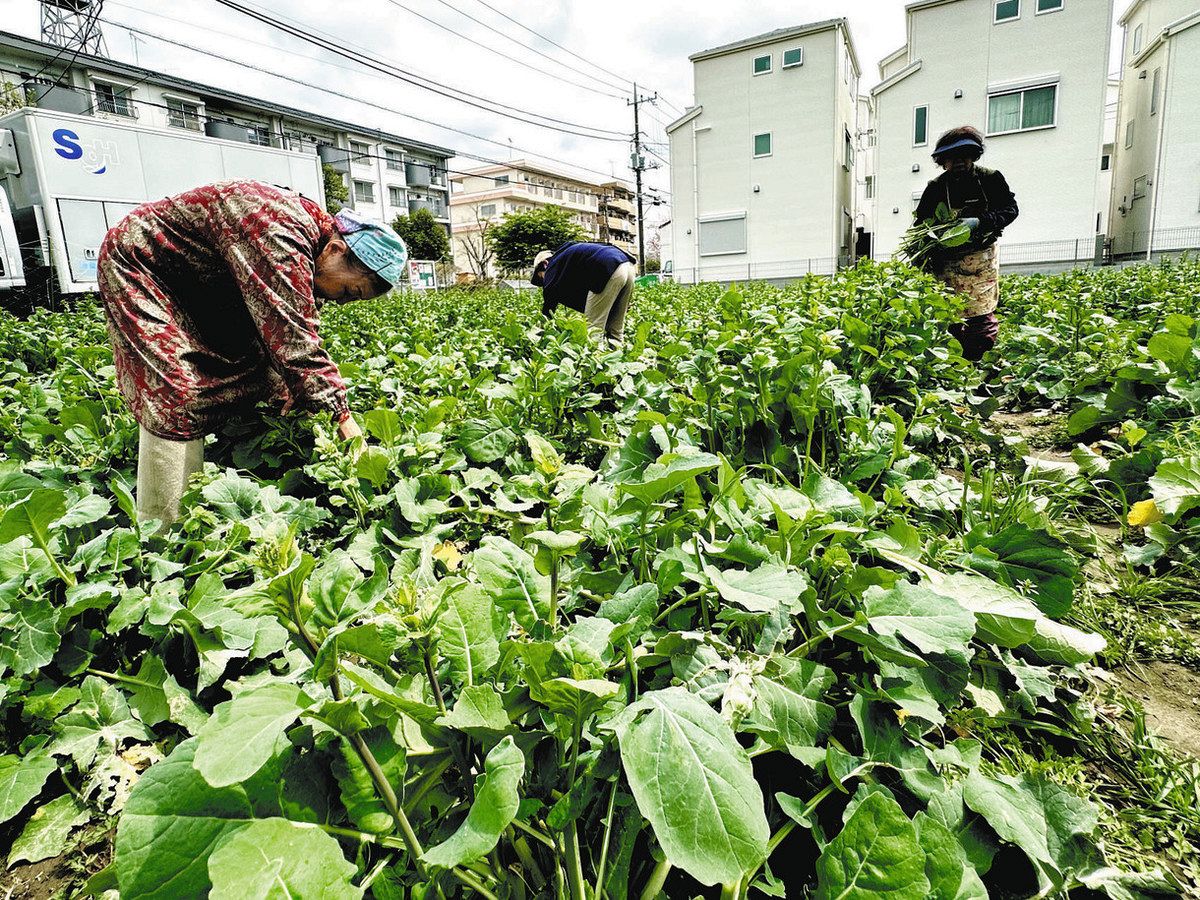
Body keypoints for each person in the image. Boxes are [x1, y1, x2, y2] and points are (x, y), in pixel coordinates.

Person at [98, 179, 407, 524]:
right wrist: (343, 420)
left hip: (206, 280)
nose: (343, 300)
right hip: (144, 266)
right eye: (351, 290)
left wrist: (296, 387)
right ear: (335, 250)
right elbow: (294, 339)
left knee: (266, 375)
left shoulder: (310, 245)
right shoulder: (279, 231)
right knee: (178, 388)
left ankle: (232, 468)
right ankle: (165, 527)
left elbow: (287, 338)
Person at [915, 126, 1019, 361]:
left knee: (979, 314)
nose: (959, 162)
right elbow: (921, 224)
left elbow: (1010, 209)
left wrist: (981, 222)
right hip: (947, 262)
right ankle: (953, 361)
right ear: (943, 162)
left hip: (981, 261)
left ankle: (979, 359)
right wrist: (926, 249)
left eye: (965, 155)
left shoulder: (990, 179)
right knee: (949, 315)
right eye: (952, 158)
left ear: (974, 155)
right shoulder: (936, 188)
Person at [531, 241, 637, 345]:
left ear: (545, 264)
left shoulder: (551, 269)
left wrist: (538, 334)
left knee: (593, 331)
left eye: (541, 277)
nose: (544, 283)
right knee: (615, 330)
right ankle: (619, 359)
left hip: (606, 268)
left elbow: (548, 311)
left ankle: (596, 359)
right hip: (627, 265)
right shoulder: (568, 259)